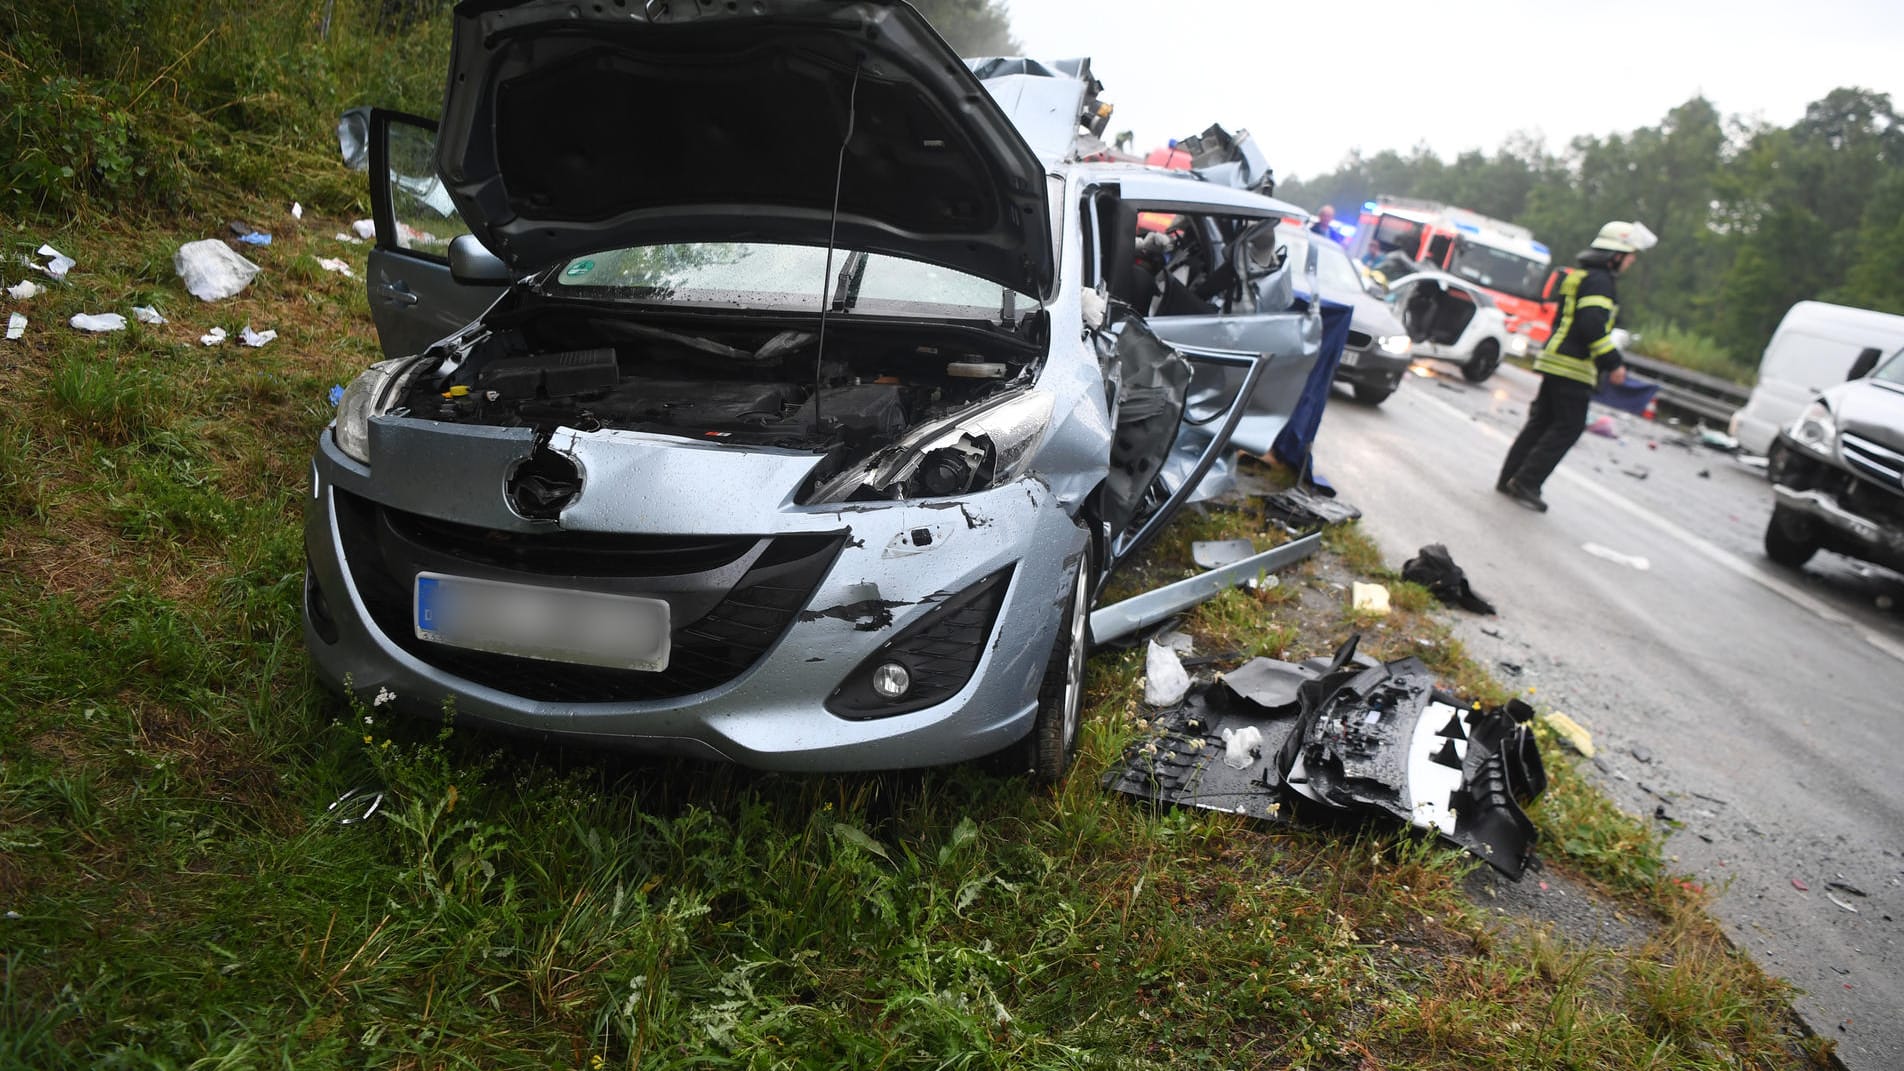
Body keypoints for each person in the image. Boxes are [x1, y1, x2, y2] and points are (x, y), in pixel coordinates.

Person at [1496, 220, 1658, 512]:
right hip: (1574, 365)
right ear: (1615, 255)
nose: (1632, 261)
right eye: (1630, 254)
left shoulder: (1582, 275)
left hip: (1555, 359)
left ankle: (1509, 477)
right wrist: (1614, 364)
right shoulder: (1600, 282)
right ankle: (1526, 482)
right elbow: (1592, 325)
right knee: (1568, 426)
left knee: (1541, 423)